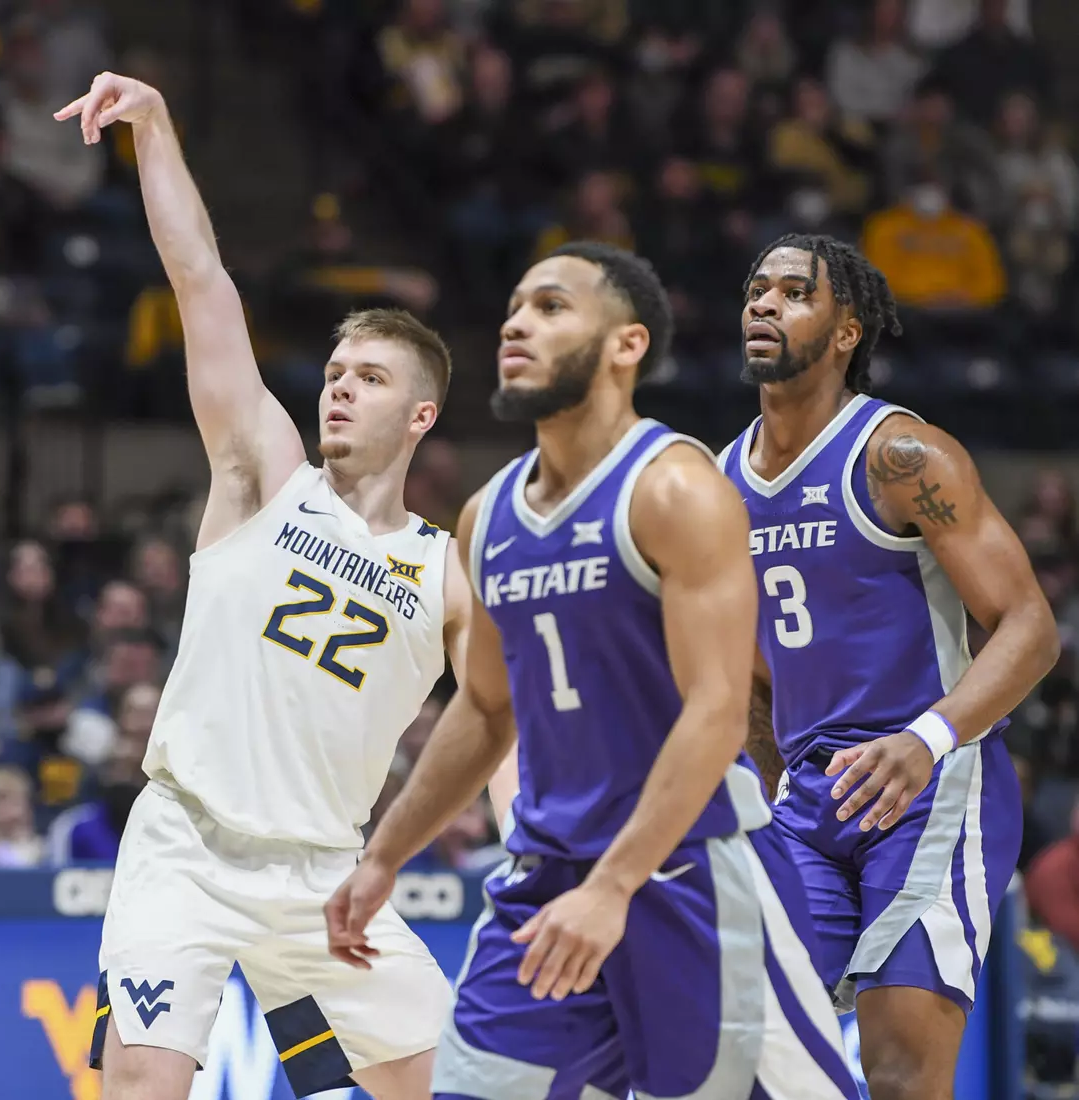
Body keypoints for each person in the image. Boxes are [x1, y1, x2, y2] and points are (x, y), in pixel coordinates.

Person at [328, 243, 861, 1100]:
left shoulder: (674, 489)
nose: (516, 323)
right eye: (514, 308)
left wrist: (615, 886)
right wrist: (385, 854)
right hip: (544, 876)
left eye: (551, 307)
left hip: (688, 872)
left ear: (627, 345)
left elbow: (718, 713)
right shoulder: (487, 514)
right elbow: (486, 707)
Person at [55, 72, 469, 1100]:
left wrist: (536, 848)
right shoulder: (265, 474)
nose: (338, 384)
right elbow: (201, 279)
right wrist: (153, 126)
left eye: (369, 376)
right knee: (145, 1082)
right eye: (335, 369)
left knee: (455, 1084)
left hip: (327, 867)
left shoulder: (447, 568)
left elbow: (498, 714)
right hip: (187, 841)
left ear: (420, 415)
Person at [724, 233, 1058, 1100]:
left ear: (847, 330)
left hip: (929, 789)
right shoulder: (718, 485)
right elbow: (755, 672)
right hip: (810, 798)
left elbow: (1028, 626)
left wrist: (929, 737)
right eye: (757, 288)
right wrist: (765, 789)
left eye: (794, 292)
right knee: (746, 1053)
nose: (764, 303)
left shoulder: (901, 458)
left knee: (904, 1075)